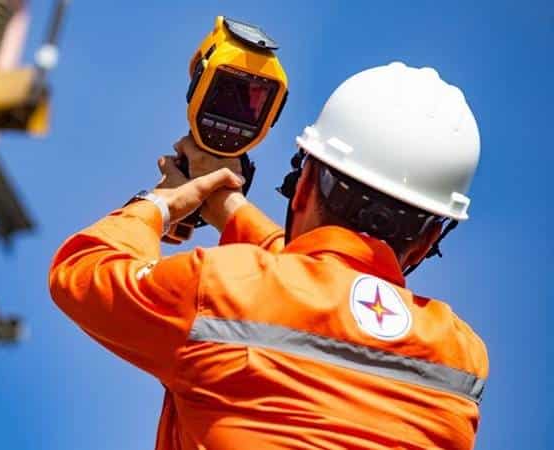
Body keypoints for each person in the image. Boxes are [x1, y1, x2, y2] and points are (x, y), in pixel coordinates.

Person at [49, 62, 487, 450]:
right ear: (427, 240)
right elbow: (318, 297)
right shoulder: (460, 361)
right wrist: (225, 206)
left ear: (304, 187)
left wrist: (162, 204)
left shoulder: (216, 290)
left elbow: (82, 268)